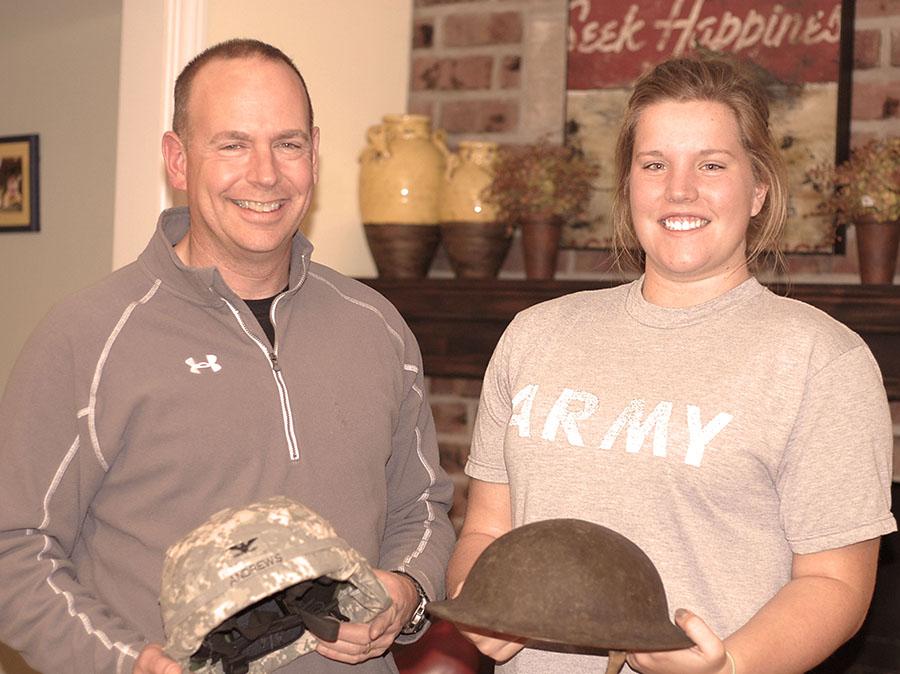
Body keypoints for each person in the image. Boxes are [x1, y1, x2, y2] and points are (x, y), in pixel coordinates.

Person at [0, 38, 455, 674]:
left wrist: (405, 592)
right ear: (177, 160)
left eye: (288, 144)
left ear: (315, 155)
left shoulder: (376, 326)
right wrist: (128, 664)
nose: (265, 174)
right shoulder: (87, 338)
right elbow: (15, 547)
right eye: (233, 144)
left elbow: (422, 508)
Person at [447, 55, 896, 674]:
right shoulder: (536, 335)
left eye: (711, 165)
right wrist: (481, 602)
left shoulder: (823, 362)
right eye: (654, 165)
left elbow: (837, 585)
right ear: (628, 184)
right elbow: (487, 530)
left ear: (759, 188)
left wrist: (730, 665)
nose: (678, 190)